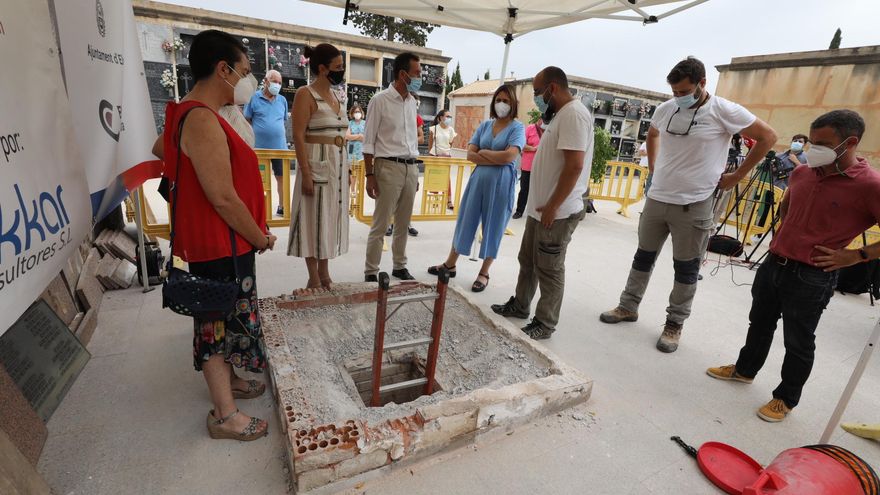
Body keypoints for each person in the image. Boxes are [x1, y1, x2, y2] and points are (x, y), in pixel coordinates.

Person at [707, 110, 880, 422]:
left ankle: (785, 398)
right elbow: (787, 205)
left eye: (822, 143)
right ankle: (745, 370)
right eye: (811, 141)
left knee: (798, 341)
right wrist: (785, 236)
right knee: (759, 323)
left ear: (851, 143)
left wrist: (856, 256)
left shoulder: (870, 185)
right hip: (775, 264)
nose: (812, 149)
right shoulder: (803, 173)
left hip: (812, 276)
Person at [599, 57, 778, 353]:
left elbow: (768, 136)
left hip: (694, 203)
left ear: (702, 84)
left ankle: (674, 324)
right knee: (643, 257)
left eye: (684, 92)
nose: (678, 98)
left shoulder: (724, 111)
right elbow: (653, 133)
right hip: (658, 198)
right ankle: (627, 306)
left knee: (686, 267)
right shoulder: (666, 109)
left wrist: (737, 175)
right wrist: (655, 168)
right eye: (674, 92)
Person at [159, 29, 277, 442]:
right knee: (213, 325)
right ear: (222, 69)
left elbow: (165, 150)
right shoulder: (202, 119)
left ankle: (231, 384)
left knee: (227, 318)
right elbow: (224, 198)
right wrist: (260, 237)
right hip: (219, 245)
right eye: (244, 71)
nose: (248, 80)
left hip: (221, 242)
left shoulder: (185, 113)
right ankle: (224, 415)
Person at [490, 67, 593, 340]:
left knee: (549, 267)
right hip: (542, 209)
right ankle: (521, 304)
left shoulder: (574, 114)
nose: (536, 98)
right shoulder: (561, 114)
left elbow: (574, 166)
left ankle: (545, 322)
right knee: (528, 261)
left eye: (537, 92)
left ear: (553, 88)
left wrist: (552, 206)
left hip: (557, 211)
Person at [427, 85, 525, 292]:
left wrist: (485, 153)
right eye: (499, 99)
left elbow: (510, 156)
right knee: (466, 219)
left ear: (513, 104)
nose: (502, 104)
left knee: (494, 225)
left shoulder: (517, 128)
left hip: (501, 183)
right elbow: (470, 154)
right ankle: (450, 263)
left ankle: (484, 272)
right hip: (478, 180)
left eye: (506, 101)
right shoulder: (485, 125)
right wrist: (495, 156)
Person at [286, 44, 350, 290]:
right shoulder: (306, 94)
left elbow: (341, 135)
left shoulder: (336, 96)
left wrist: (348, 171)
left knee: (328, 219)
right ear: (322, 69)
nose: (341, 71)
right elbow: (298, 136)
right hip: (315, 164)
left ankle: (325, 273)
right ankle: (313, 275)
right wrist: (305, 173)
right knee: (311, 219)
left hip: (337, 165)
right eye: (338, 67)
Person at [363, 52, 422, 282]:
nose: (420, 77)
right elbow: (368, 142)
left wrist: (413, 171)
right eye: (417, 73)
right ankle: (371, 270)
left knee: (403, 223)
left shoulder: (412, 102)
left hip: (410, 167)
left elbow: (412, 141)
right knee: (381, 223)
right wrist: (370, 175)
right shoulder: (380, 100)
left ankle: (399, 265)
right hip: (387, 167)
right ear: (402, 74)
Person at [244, 69, 288, 216]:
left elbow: (283, 121)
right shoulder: (254, 98)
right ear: (266, 81)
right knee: (259, 179)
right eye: (275, 81)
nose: (277, 85)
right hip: (259, 148)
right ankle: (258, 209)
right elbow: (247, 119)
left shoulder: (282, 100)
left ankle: (282, 206)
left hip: (280, 148)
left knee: (281, 177)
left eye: (280, 83)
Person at [513, 117, 543, 219]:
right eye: (542, 120)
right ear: (539, 120)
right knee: (524, 189)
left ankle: (536, 212)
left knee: (539, 191)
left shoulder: (549, 131)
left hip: (541, 167)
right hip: (527, 165)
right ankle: (519, 211)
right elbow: (521, 144)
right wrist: (534, 148)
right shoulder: (530, 128)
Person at [428, 109, 458, 210]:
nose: (449, 118)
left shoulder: (451, 130)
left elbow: (450, 144)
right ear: (440, 117)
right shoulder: (433, 129)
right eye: (447, 116)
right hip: (435, 156)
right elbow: (430, 144)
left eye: (450, 117)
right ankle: (436, 199)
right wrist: (431, 157)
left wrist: (445, 152)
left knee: (446, 178)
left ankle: (449, 200)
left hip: (446, 157)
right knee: (435, 177)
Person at [346, 103, 366, 194]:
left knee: (360, 171)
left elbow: (366, 137)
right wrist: (359, 136)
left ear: (361, 113)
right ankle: (352, 189)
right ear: (352, 113)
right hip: (351, 150)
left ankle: (359, 189)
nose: (357, 113)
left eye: (358, 111)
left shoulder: (365, 123)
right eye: (355, 112)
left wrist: (354, 136)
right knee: (352, 171)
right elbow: (347, 136)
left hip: (361, 151)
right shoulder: (350, 123)